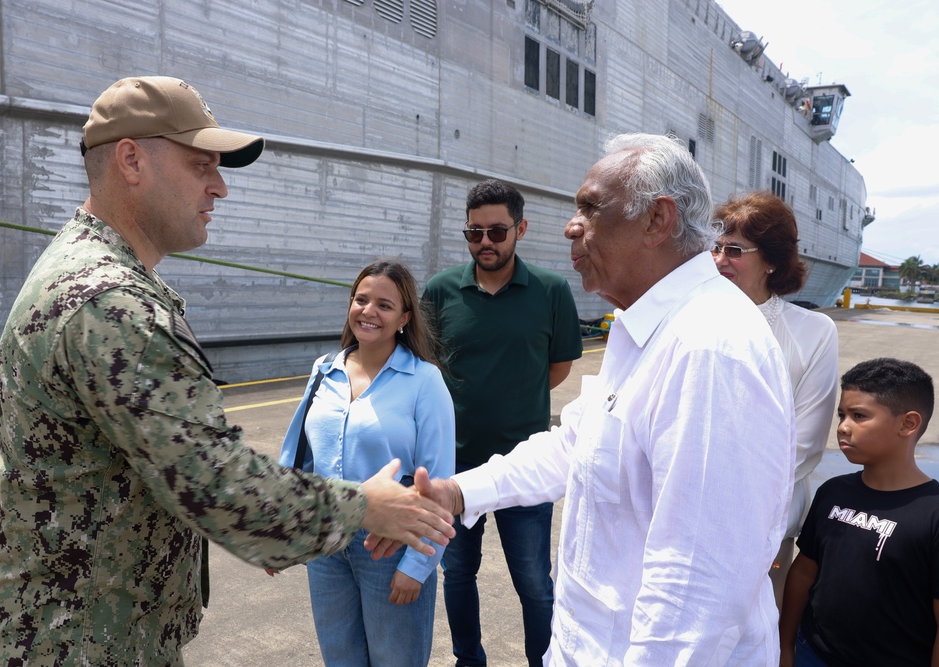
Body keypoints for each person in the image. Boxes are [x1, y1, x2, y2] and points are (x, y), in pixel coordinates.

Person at [0, 76, 453, 666]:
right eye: (201, 167)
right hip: (79, 642)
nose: (219, 187)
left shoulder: (84, 271)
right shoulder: (113, 304)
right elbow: (218, 485)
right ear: (131, 160)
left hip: (76, 629)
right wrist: (364, 507)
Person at [378, 133, 797, 665]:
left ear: (657, 220)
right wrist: (457, 493)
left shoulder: (710, 348)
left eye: (590, 208)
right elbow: (575, 444)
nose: (572, 225)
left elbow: (697, 594)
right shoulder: (647, 328)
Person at [422, 179, 583, 667]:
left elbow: (557, 368)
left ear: (521, 229)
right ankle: (468, 660)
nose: (486, 243)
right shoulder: (441, 290)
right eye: (475, 233)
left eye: (497, 231)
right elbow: (426, 366)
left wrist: (513, 400)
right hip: (456, 465)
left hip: (526, 465)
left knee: (535, 583)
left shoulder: (551, 291)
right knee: (458, 574)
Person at [277, 260, 455, 666]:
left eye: (384, 305)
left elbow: (439, 481)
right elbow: (295, 458)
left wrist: (419, 564)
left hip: (389, 545)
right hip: (325, 538)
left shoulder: (425, 381)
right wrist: (281, 530)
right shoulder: (324, 370)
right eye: (361, 299)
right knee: (340, 657)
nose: (368, 311)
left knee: (396, 659)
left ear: (404, 318)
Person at [712, 191, 839, 606]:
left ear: (771, 261)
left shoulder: (813, 332)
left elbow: (805, 443)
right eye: (714, 247)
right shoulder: (689, 324)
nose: (718, 259)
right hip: (685, 516)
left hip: (765, 521)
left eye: (734, 250)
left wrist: (720, 489)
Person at [779, 358, 939, 666]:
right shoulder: (833, 491)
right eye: (842, 415)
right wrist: (785, 647)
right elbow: (804, 572)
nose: (843, 427)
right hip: (813, 655)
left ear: (908, 423)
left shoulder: (932, 513)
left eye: (859, 416)